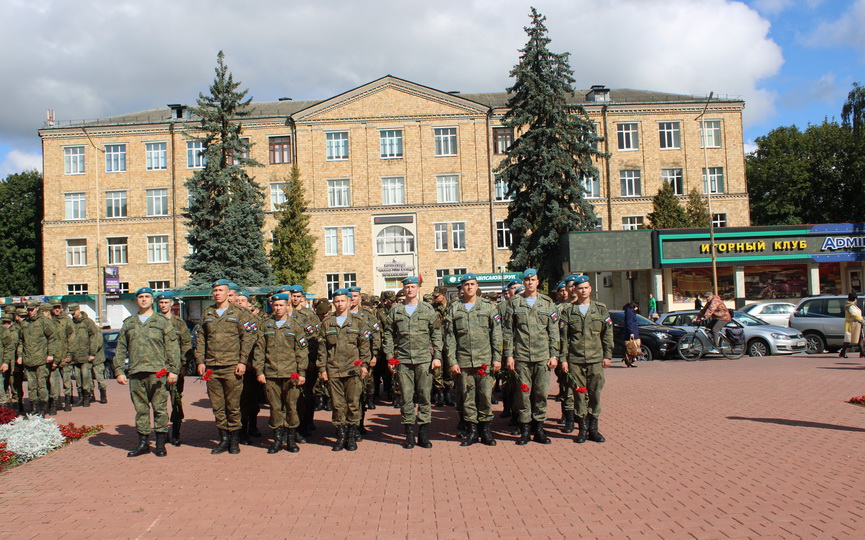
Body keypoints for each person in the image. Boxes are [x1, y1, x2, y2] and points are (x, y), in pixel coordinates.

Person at [114, 287, 180, 457]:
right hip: (136, 372)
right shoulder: (129, 323)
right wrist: (119, 370)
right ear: (137, 300)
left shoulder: (162, 322)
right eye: (141, 297)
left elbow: (172, 348)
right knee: (141, 410)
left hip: (157, 373)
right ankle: (143, 444)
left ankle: (160, 444)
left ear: (152, 300)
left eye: (147, 297)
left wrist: (173, 371)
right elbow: (121, 347)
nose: (144, 299)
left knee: (160, 409)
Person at [195, 279, 257, 455]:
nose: (217, 293)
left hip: (232, 366)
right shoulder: (207, 313)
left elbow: (248, 338)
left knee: (233, 405)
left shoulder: (238, 313)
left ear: (227, 293)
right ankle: (223, 439)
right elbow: (201, 339)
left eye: (221, 290)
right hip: (212, 367)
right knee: (217, 406)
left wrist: (242, 361)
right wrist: (200, 361)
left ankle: (235, 441)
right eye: (215, 290)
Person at [382, 276, 443, 449]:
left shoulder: (427, 309)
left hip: (424, 360)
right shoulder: (396, 310)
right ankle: (409, 434)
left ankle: (423, 434)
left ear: (418, 288)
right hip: (403, 360)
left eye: (413, 286)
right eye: (407, 287)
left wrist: (437, 356)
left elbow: (436, 333)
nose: (410, 289)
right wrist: (389, 357)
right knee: (406, 398)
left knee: (424, 397)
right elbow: (388, 334)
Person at [502, 269, 560, 445]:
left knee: (541, 393)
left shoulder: (548, 303)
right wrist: (509, 355)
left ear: (538, 282)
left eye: (532, 279)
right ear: (523, 283)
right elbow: (508, 332)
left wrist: (554, 354)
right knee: (523, 394)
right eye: (526, 280)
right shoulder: (514, 303)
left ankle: (539, 429)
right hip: (521, 357)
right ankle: (525, 430)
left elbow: (553, 331)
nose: (529, 282)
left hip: (542, 357)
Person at [443, 273, 502, 446]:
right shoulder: (454, 308)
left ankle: (486, 431)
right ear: (461, 288)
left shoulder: (488, 307)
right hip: (464, 362)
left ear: (477, 286)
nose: (469, 287)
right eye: (466, 284)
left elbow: (496, 335)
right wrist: (452, 361)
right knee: (467, 397)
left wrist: (497, 358)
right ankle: (472, 431)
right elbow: (450, 337)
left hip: (484, 359)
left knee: (484, 396)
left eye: (472, 284)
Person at [559, 275, 614, 443]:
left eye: (586, 287)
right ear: (574, 290)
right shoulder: (568, 311)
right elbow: (563, 338)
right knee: (578, 395)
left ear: (590, 289)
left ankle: (593, 429)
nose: (583, 290)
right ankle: (582, 429)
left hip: (595, 359)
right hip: (575, 360)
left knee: (595, 394)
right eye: (580, 288)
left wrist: (607, 355)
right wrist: (563, 359)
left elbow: (607, 334)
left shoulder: (600, 309)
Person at [317, 289, 371, 451]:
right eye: (337, 301)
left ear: (349, 302)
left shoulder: (359, 322)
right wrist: (322, 369)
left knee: (353, 404)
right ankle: (341, 436)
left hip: (353, 370)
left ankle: (352, 436)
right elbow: (322, 349)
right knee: (338, 405)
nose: (340, 304)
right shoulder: (327, 323)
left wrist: (364, 365)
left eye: (342, 301)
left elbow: (364, 346)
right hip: (334, 370)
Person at [254, 293, 308, 453]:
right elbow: (259, 350)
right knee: (275, 408)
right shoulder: (265, 325)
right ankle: (277, 440)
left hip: (291, 374)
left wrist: (302, 372)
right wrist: (259, 371)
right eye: (275, 305)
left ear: (287, 305)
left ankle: (291, 439)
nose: (278, 308)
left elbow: (302, 351)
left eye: (281, 305)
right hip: (271, 374)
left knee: (291, 407)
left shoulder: (296, 326)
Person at [155, 292, 193, 446]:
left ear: (172, 304)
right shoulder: (154, 321)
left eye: (166, 302)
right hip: (157, 369)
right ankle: (162, 433)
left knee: (176, 401)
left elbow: (186, 345)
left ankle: (176, 432)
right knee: (159, 402)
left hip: (175, 369)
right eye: (161, 302)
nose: (163, 305)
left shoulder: (179, 323)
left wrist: (182, 366)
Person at [20, 301, 58, 415]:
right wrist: (20, 356)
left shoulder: (44, 322)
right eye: (28, 310)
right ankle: (34, 406)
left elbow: (52, 338)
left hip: (41, 359)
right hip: (28, 359)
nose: (30, 312)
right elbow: (20, 341)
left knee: (41, 385)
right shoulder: (25, 323)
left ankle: (43, 407)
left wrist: (50, 354)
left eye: (32, 309)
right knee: (31, 385)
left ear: (37, 308)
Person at [68, 304, 99, 411]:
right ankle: (80, 397)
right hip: (75, 356)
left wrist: (92, 353)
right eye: (71, 313)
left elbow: (94, 337)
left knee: (85, 376)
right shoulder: (71, 323)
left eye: (74, 312)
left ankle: (87, 397)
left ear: (78, 310)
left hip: (86, 355)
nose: (73, 314)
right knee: (78, 378)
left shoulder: (87, 322)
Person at [49, 301, 74, 414]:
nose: (57, 310)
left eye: (58, 307)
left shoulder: (67, 320)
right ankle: (55, 402)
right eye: (55, 308)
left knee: (66, 380)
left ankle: (68, 401)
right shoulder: (48, 320)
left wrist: (70, 354)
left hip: (64, 355)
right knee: (53, 382)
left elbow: (71, 338)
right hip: (53, 357)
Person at [840, 292, 863, 358]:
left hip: (856, 324)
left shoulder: (852, 306)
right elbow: (854, 315)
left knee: (859, 338)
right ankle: (843, 352)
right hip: (851, 325)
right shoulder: (850, 306)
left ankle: (862, 352)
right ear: (855, 299)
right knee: (848, 339)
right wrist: (862, 319)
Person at [623, 301, 641, 368]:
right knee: (632, 348)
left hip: (633, 331)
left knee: (634, 347)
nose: (637, 309)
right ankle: (629, 361)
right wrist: (631, 332)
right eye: (636, 307)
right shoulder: (630, 313)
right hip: (632, 333)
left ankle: (630, 361)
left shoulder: (630, 312)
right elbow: (629, 323)